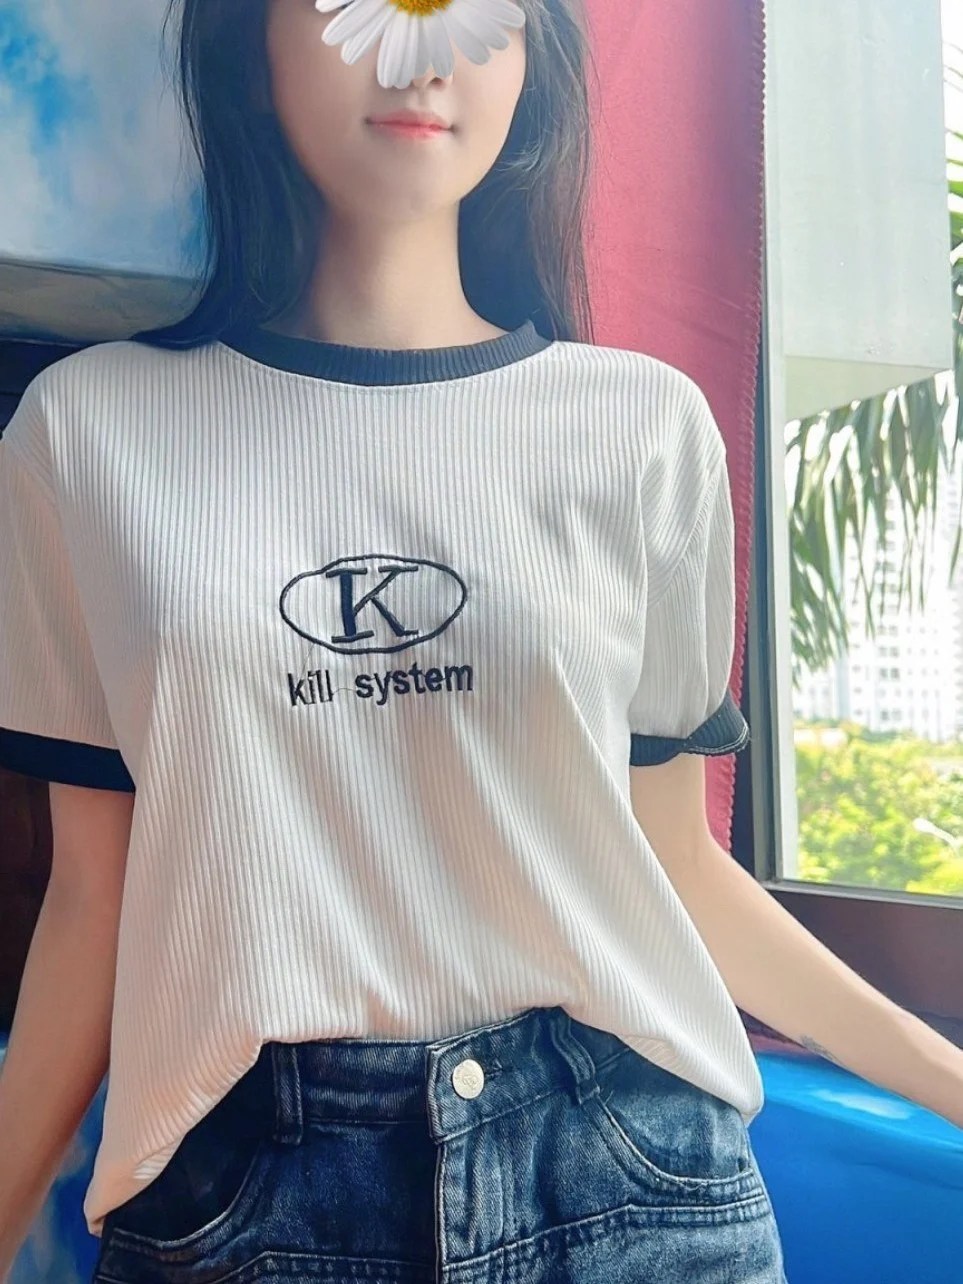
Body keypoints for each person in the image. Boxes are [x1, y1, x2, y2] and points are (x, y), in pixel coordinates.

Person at [0, 0, 788, 1279]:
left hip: (632, 1181)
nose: (420, 54)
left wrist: (941, 1076)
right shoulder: (83, 434)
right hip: (241, 1203)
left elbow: (676, 866)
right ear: (249, 42)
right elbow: (94, 898)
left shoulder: (643, 429)